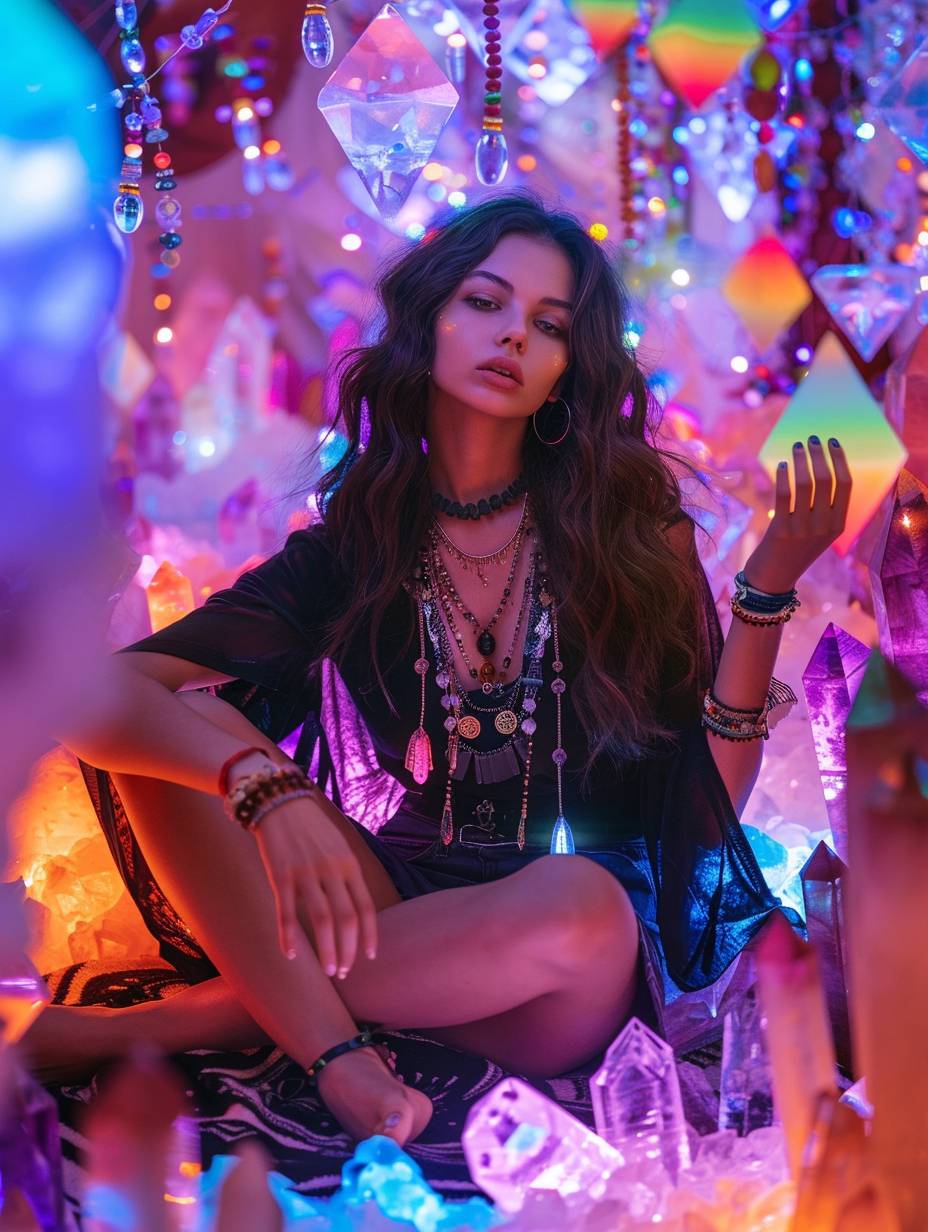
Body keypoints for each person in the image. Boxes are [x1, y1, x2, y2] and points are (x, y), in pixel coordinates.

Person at [27, 194, 851, 1148]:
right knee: (181, 726)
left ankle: (188, 1020)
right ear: (430, 320)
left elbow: (707, 803)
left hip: (560, 952)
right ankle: (343, 1057)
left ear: (566, 371)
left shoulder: (630, 532)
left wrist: (764, 592)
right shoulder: (357, 545)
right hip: (390, 901)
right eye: (486, 302)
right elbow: (97, 698)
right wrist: (264, 785)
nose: (513, 338)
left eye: (548, 327)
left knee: (579, 900)